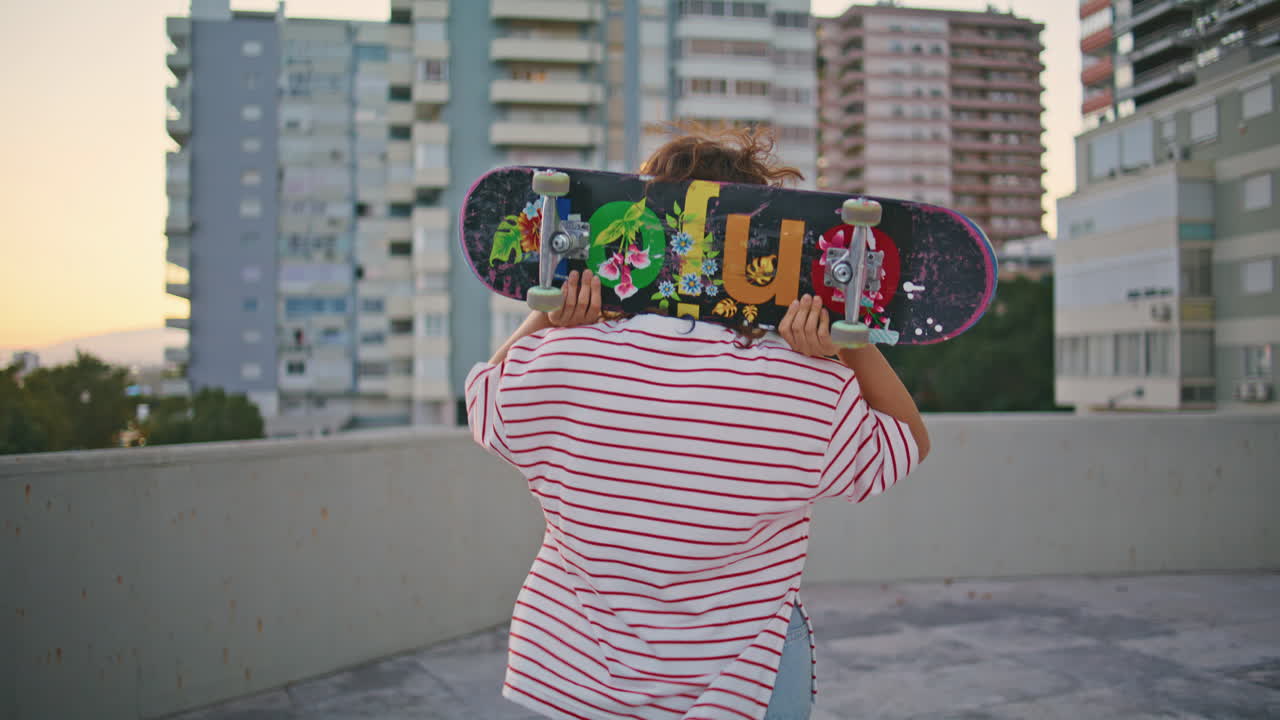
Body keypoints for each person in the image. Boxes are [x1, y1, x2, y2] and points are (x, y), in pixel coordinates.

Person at [466, 127, 930, 720]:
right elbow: (905, 445)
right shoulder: (803, 386)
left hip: (575, 680)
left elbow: (483, 405)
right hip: (736, 687)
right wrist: (847, 334)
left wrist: (548, 314)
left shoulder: (564, 359)